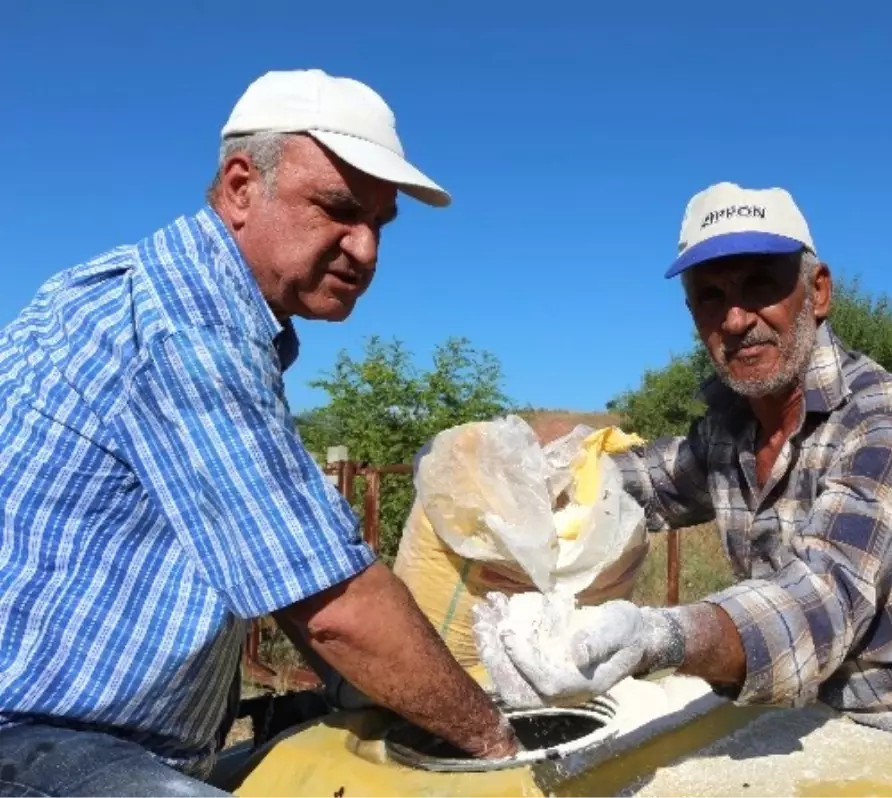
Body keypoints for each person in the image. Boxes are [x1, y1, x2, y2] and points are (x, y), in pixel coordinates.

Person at [0, 69, 518, 798]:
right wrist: (500, 743)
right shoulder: (186, 329)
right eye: (338, 209)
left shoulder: (168, 300)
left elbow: (287, 566)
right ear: (241, 187)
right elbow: (331, 605)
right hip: (31, 739)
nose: (365, 250)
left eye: (379, 223)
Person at [477, 181, 892, 791]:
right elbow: (635, 485)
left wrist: (656, 637)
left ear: (817, 292)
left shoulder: (886, 420)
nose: (737, 319)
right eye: (711, 297)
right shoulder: (728, 433)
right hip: (827, 751)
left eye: (759, 286)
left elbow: (822, 598)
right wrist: (528, 463)